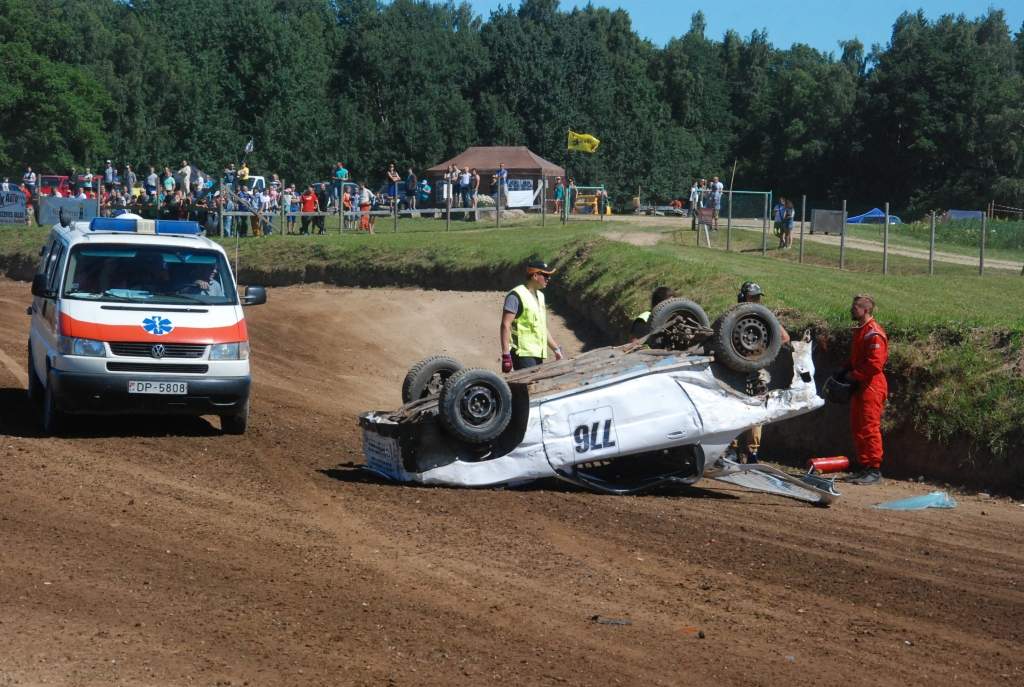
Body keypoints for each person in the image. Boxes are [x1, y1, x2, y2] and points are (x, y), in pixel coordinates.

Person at [734, 281, 791, 463]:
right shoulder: (733, 315)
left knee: (756, 409)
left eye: (758, 297)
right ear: (743, 297)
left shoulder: (765, 316)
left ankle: (752, 452)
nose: (756, 300)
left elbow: (784, 337)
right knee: (733, 407)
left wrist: (764, 353)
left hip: (755, 368)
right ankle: (733, 449)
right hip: (735, 367)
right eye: (753, 297)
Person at [839, 295, 889, 485]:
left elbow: (875, 364)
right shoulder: (861, 331)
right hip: (862, 385)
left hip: (872, 385)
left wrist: (854, 375)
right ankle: (864, 466)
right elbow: (857, 358)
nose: (852, 310)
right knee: (858, 426)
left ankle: (874, 470)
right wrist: (844, 369)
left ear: (866, 310)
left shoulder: (874, 333)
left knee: (869, 427)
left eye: (856, 307)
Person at [500, 260, 564, 372]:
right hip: (522, 353)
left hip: (537, 353)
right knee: (529, 386)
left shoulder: (541, 296)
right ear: (535, 275)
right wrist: (506, 355)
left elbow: (541, 328)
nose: (548, 279)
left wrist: (556, 349)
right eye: (546, 275)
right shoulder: (515, 295)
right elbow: (506, 325)